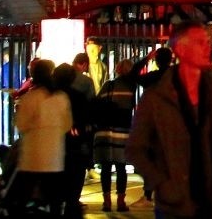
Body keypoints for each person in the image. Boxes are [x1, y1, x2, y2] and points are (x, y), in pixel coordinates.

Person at [126, 20, 212, 219]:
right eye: (199, 42)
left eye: (207, 42)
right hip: (174, 205)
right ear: (181, 49)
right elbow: (135, 149)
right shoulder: (157, 98)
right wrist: (161, 183)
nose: (207, 47)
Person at [12, 58, 72, 217]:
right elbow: (67, 125)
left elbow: (21, 124)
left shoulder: (30, 98)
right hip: (54, 158)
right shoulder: (61, 98)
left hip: (31, 158)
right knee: (54, 201)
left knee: (23, 199)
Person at [92, 58, 137, 212]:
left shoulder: (107, 85)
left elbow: (96, 103)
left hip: (105, 130)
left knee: (106, 168)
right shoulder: (131, 87)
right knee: (121, 168)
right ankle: (121, 202)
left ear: (117, 70)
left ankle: (107, 202)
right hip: (122, 130)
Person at [52, 62, 93, 219]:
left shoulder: (50, 96)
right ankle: (71, 207)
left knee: (55, 194)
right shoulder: (78, 96)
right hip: (75, 146)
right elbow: (86, 120)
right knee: (73, 187)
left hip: (54, 147)